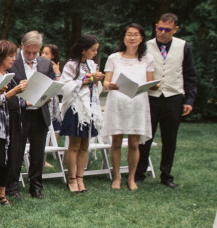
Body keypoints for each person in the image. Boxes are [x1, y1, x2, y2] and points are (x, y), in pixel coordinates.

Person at [136, 13, 198, 188]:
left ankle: (166, 175)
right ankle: (140, 173)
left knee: (170, 138)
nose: (162, 32)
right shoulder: (145, 46)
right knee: (145, 136)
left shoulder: (183, 46)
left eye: (167, 30)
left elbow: (190, 75)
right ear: (156, 26)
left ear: (175, 29)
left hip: (173, 97)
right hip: (151, 98)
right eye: (159, 29)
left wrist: (189, 100)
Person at [102, 23, 155, 190]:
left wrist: (155, 85)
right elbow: (105, 82)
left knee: (134, 143)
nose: (132, 38)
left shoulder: (147, 59)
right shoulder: (113, 58)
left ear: (141, 38)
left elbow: (150, 82)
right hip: (117, 102)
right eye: (129, 34)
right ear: (123, 38)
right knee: (116, 142)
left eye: (136, 34)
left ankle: (131, 178)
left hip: (138, 103)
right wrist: (109, 84)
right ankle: (116, 176)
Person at [7, 30, 57, 199]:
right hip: (20, 113)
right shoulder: (13, 62)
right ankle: (12, 187)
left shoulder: (45, 63)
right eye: (28, 51)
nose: (31, 55)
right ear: (22, 46)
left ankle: (36, 187)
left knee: (38, 153)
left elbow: (51, 84)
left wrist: (47, 96)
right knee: (16, 152)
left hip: (39, 113)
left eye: (35, 52)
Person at [0, 40, 27, 208]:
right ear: (0, 56)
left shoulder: (11, 77)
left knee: (10, 158)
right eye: (10, 56)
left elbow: (17, 101)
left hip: (13, 123)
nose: (13, 59)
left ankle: (2, 192)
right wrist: (13, 92)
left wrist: (33, 99)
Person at [59, 34, 104, 193]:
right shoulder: (71, 65)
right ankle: (71, 179)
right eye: (93, 50)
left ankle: (80, 177)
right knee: (75, 144)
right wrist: (84, 81)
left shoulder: (92, 64)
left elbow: (96, 89)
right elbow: (64, 87)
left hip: (90, 107)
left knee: (85, 144)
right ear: (83, 50)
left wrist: (97, 79)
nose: (95, 53)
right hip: (76, 108)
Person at [41, 43, 63, 131]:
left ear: (53, 56)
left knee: (54, 129)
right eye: (42, 53)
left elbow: (60, 88)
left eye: (46, 53)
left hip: (53, 100)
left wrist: (57, 72)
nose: (43, 55)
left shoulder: (54, 67)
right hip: (43, 99)